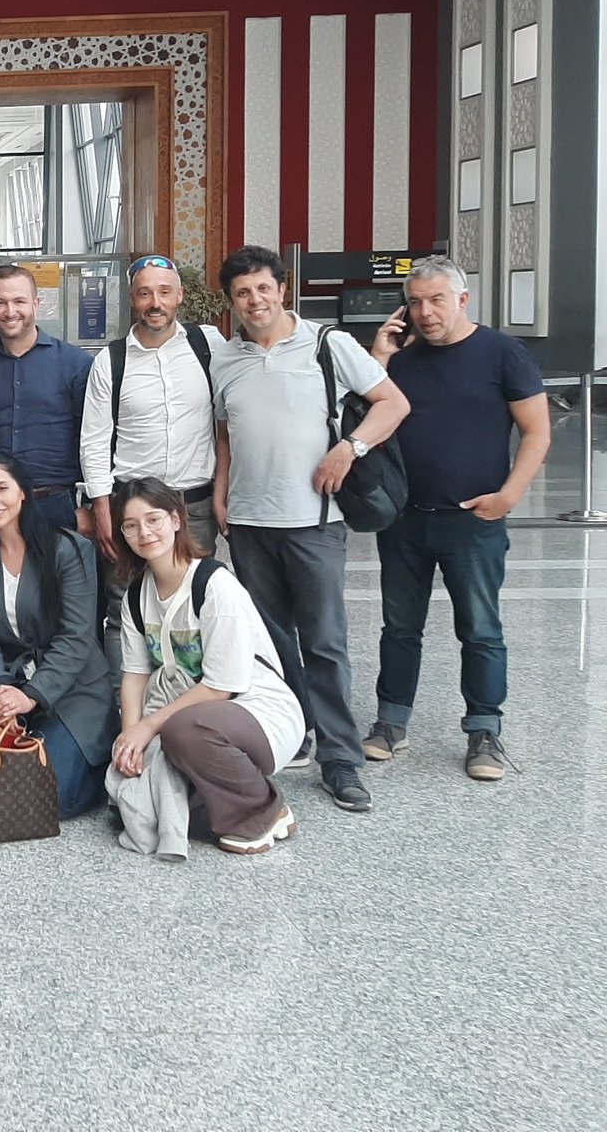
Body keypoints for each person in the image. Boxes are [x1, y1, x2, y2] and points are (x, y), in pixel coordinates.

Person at [211, 244, 409, 814]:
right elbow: (225, 434)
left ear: (282, 290)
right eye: (243, 293)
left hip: (314, 522)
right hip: (249, 523)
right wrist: (222, 495)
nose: (255, 300)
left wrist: (349, 448)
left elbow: (392, 404)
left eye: (263, 288)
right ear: (232, 301)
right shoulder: (225, 359)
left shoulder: (327, 344)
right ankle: (292, 729)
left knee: (324, 642)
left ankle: (340, 758)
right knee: (271, 642)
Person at [367, 254, 549, 781]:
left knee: (480, 629)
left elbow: (537, 431)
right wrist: (379, 357)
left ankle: (484, 730)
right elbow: (364, 413)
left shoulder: (502, 353)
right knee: (400, 627)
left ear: (462, 300)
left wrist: (509, 496)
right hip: (404, 520)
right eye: (415, 302)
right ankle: (391, 721)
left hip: (473, 522)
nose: (425, 312)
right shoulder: (402, 359)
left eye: (436, 300)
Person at [109, 478, 305, 857]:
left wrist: (148, 727)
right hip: (192, 712)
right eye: (131, 525)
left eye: (153, 519)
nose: (144, 533)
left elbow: (221, 686)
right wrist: (130, 739)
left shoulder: (214, 585)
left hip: (259, 712)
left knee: (182, 730)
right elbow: (134, 674)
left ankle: (262, 812)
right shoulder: (136, 595)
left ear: (176, 520)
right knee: (137, 781)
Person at [0, 453, 115, 819]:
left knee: (50, 797)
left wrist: (31, 697)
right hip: (6, 675)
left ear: (23, 492)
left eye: (1, 488)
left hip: (70, 686)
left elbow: (76, 637)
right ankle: (17, 758)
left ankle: (96, 767)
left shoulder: (69, 550)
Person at [81, 254, 225, 565]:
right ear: (132, 298)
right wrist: (101, 508)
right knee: (127, 591)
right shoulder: (110, 361)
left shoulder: (208, 345)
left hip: (194, 509)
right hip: (132, 510)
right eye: (145, 293)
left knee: (194, 590)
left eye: (164, 292)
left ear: (179, 295)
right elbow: (94, 440)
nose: (155, 303)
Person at [0, 263, 92, 537]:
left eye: (19, 301)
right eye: (0, 302)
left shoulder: (75, 364)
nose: (10, 312)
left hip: (58, 505)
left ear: (36, 303)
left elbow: (91, 440)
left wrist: (90, 505)